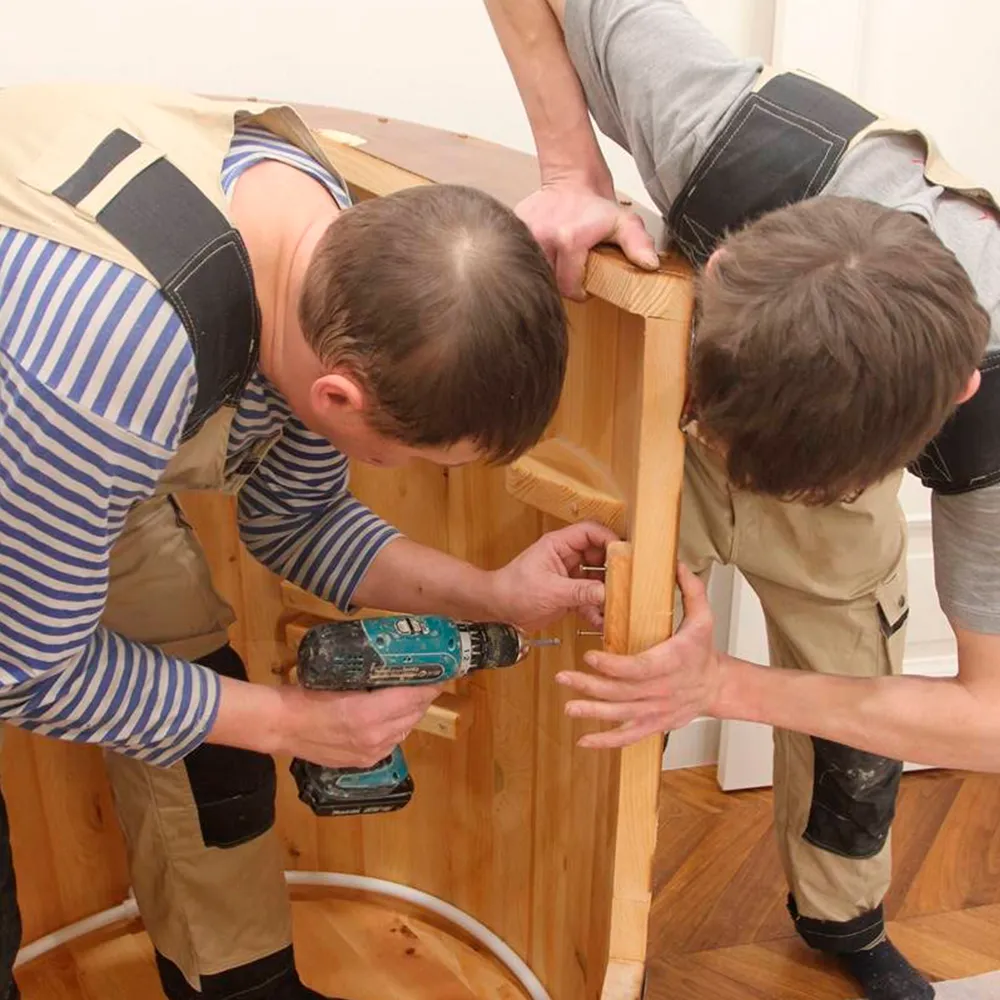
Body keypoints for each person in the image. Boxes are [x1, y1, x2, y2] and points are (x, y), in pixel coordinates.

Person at [0, 82, 614, 1000]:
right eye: (407, 456)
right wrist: (290, 722)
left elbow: (297, 517)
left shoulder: (327, 260)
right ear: (340, 397)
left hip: (50, 447)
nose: (402, 470)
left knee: (210, 733)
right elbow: (27, 673)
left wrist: (492, 593)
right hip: (52, 400)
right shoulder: (109, 365)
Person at [482, 2, 1000, 998]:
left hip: (825, 460)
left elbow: (988, 720)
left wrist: (724, 687)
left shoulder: (994, 431)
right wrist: (569, 169)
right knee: (593, 650)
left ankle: (843, 921)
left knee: (856, 708)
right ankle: (567, 909)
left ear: (957, 395)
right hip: (675, 424)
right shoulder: (714, 132)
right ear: (724, 264)